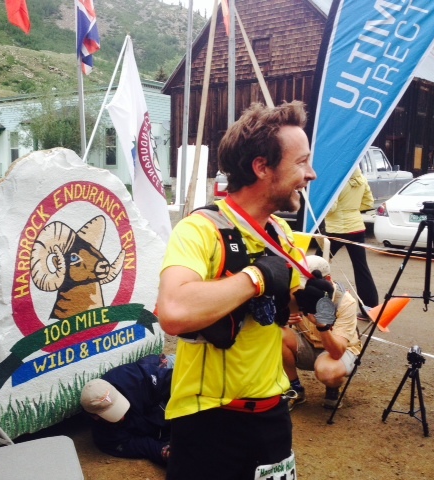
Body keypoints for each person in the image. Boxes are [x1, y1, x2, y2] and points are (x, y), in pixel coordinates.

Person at [157, 101, 316, 480]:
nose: (311, 173)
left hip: (273, 416)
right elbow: (174, 312)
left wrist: (306, 298)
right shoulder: (200, 229)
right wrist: (255, 277)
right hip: (209, 419)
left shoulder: (280, 232)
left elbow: (283, 302)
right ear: (262, 167)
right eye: (301, 162)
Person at [284, 255, 362, 410]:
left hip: (339, 351)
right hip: (308, 344)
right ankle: (295, 389)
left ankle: (333, 388)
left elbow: (337, 352)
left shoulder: (345, 302)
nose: (301, 290)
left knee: (328, 372)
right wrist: (283, 319)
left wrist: (322, 325)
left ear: (327, 279)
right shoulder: (295, 293)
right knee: (276, 334)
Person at [80, 354, 173, 466]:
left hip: (163, 368)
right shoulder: (105, 437)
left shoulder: (136, 379)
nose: (122, 416)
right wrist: (163, 451)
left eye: (118, 406)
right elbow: (140, 445)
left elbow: (173, 382)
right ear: (95, 417)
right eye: (113, 414)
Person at [317, 167, 379, 310]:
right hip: (356, 226)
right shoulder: (362, 179)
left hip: (336, 229)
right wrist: (352, 209)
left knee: (318, 264)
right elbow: (368, 202)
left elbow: (331, 208)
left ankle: (313, 302)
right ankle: (370, 308)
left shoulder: (337, 180)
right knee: (361, 268)